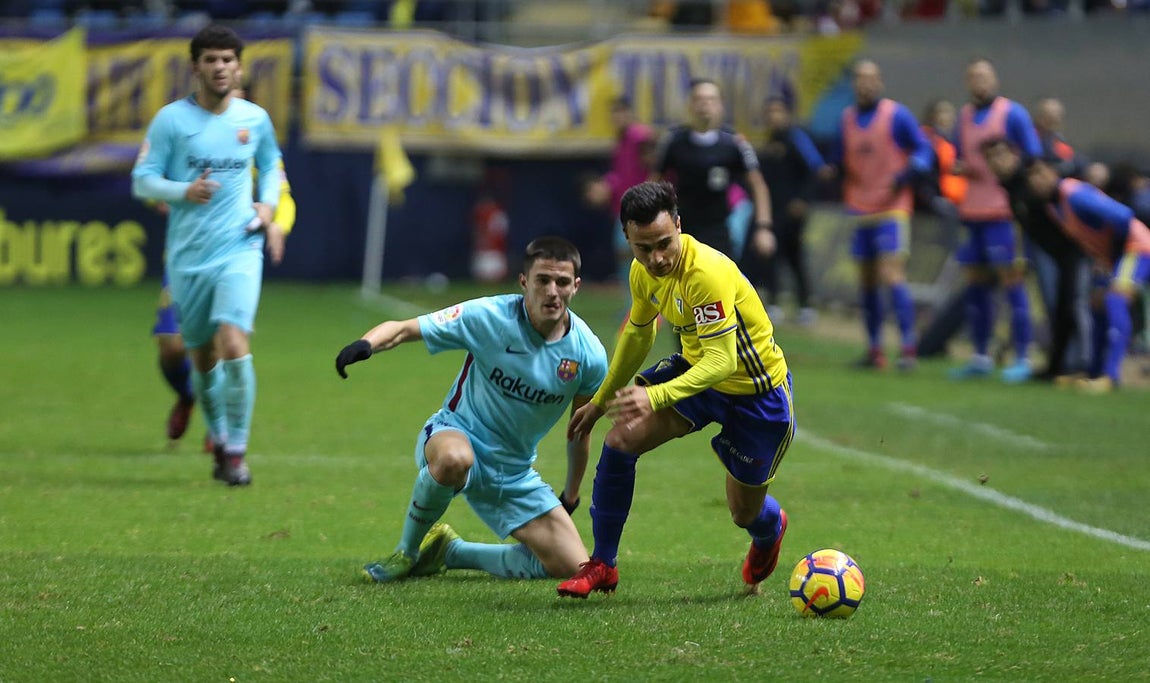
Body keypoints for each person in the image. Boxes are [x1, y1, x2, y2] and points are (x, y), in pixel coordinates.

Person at [556, 181, 794, 599]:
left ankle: (769, 529)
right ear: (627, 239)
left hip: (756, 393)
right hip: (698, 375)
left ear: (680, 226)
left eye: (664, 243)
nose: (656, 258)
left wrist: (655, 394)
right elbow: (638, 333)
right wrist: (600, 401)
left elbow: (723, 361)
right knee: (620, 439)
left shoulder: (706, 273)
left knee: (743, 513)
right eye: (643, 248)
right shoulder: (642, 272)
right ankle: (603, 564)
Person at [336, 238, 609, 582]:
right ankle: (406, 552)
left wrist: (571, 493)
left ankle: (451, 552)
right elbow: (405, 329)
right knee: (454, 459)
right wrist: (366, 345)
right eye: (542, 280)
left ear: (576, 286)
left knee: (572, 567)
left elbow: (579, 430)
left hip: (514, 473)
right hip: (455, 434)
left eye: (562, 282)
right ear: (524, 281)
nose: (552, 291)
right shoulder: (489, 317)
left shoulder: (588, 355)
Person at [132, 25, 284, 485]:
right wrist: (184, 190)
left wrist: (269, 204)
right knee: (200, 357)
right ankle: (218, 438)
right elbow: (142, 180)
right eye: (211, 60)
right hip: (188, 256)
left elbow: (273, 165)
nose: (220, 67)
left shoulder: (254, 119)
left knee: (235, 343)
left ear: (239, 66)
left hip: (239, 247)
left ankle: (237, 451)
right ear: (195, 65)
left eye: (227, 60)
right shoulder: (171, 122)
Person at [154, 73, 296, 446]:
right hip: (188, 255)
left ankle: (223, 435)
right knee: (172, 347)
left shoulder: (250, 138)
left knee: (226, 343)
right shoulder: (184, 132)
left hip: (235, 253)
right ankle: (189, 396)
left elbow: (282, 192)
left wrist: (277, 224)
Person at [829, 60, 934, 370]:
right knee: (867, 282)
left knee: (892, 275)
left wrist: (909, 173)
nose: (865, 84)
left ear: (881, 82)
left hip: (892, 208)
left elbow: (923, 150)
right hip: (859, 208)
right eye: (860, 79)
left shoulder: (896, 115)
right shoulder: (846, 119)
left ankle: (908, 347)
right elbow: (839, 158)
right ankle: (874, 350)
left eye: (871, 78)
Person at [951, 58, 1043, 382]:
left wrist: (1009, 174)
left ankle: (1023, 356)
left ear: (995, 79)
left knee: (1013, 282)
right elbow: (957, 155)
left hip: (1004, 212)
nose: (980, 83)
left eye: (985, 76)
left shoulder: (1012, 113)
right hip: (971, 211)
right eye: (974, 77)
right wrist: (960, 167)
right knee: (976, 286)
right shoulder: (963, 116)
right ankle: (980, 355)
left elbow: (1032, 155)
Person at [1025, 160, 1150, 393]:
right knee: (1097, 306)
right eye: (1031, 177)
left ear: (1054, 172)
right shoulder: (1054, 206)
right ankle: (1093, 372)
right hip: (1115, 257)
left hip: (1137, 248)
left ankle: (1111, 376)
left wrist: (1112, 256)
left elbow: (1123, 216)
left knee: (1116, 300)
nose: (1036, 181)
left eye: (1040, 173)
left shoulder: (1074, 194)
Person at [981, 138, 1091, 380]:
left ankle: (1083, 364)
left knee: (1073, 304)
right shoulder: (1011, 188)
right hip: (1052, 253)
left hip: (1073, 250)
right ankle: (1059, 365)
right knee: (1057, 307)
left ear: (1014, 155)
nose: (997, 162)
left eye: (1001, 155)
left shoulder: (1030, 179)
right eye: (991, 158)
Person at [651, 78, 775, 259]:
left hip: (720, 229)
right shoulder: (673, 142)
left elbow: (758, 185)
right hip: (682, 229)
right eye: (699, 99)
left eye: (711, 100)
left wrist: (764, 227)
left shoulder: (735, 143)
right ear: (690, 105)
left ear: (720, 106)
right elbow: (653, 183)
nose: (705, 105)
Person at [752, 95, 829, 326]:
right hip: (771, 210)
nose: (773, 117)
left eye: (778, 111)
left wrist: (803, 200)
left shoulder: (796, 138)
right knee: (770, 257)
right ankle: (773, 303)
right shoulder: (768, 143)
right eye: (770, 112)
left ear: (786, 114)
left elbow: (816, 169)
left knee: (794, 257)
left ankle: (805, 305)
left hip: (793, 211)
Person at [582, 96, 656, 284]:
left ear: (629, 113)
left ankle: (647, 303)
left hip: (642, 208)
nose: (617, 118)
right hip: (625, 208)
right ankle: (632, 303)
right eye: (613, 114)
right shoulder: (620, 142)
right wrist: (606, 185)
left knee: (634, 253)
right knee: (625, 254)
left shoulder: (641, 137)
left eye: (620, 113)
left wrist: (649, 200)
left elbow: (655, 168)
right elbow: (621, 175)